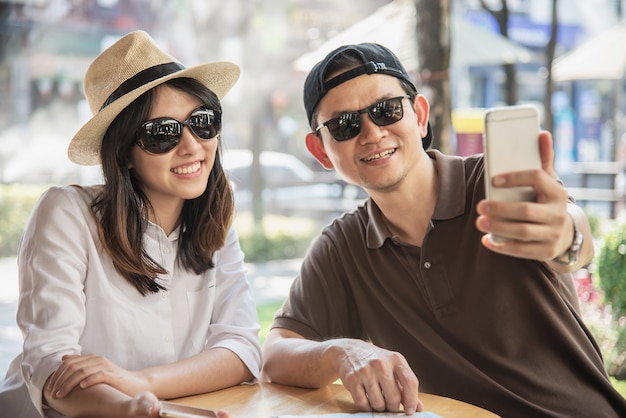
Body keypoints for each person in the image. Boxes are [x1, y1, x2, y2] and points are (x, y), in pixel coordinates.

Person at [261, 42, 626, 417]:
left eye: (386, 110)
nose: (372, 133)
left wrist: (565, 236)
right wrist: (341, 352)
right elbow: (275, 354)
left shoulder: (492, 182)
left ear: (419, 116)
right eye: (344, 125)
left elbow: (570, 233)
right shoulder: (344, 246)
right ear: (321, 151)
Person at [0, 30, 260, 418]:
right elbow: (51, 366)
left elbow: (241, 351)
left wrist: (142, 385)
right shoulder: (67, 213)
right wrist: (132, 409)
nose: (192, 146)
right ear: (122, 153)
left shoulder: (215, 223)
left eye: (202, 123)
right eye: (162, 134)